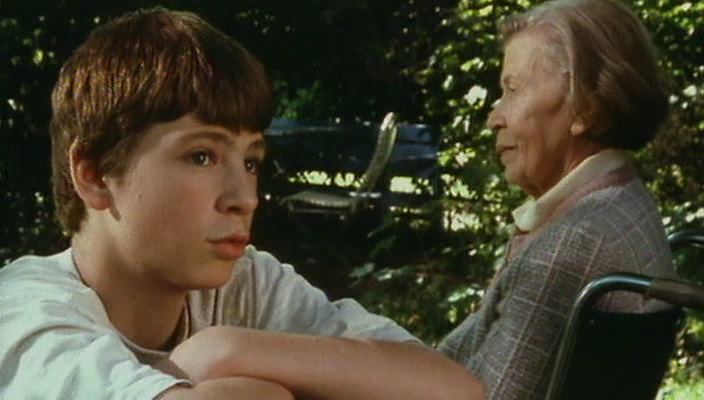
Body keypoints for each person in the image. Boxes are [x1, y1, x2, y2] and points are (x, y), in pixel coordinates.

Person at [0, 8, 485, 400]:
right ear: (94, 174)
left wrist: (225, 350)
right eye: (202, 156)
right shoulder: (23, 314)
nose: (245, 198)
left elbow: (453, 389)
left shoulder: (246, 287)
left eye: (251, 161)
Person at [438, 0, 675, 399]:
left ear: (585, 109)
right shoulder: (620, 203)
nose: (494, 118)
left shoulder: (573, 242)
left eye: (512, 91)